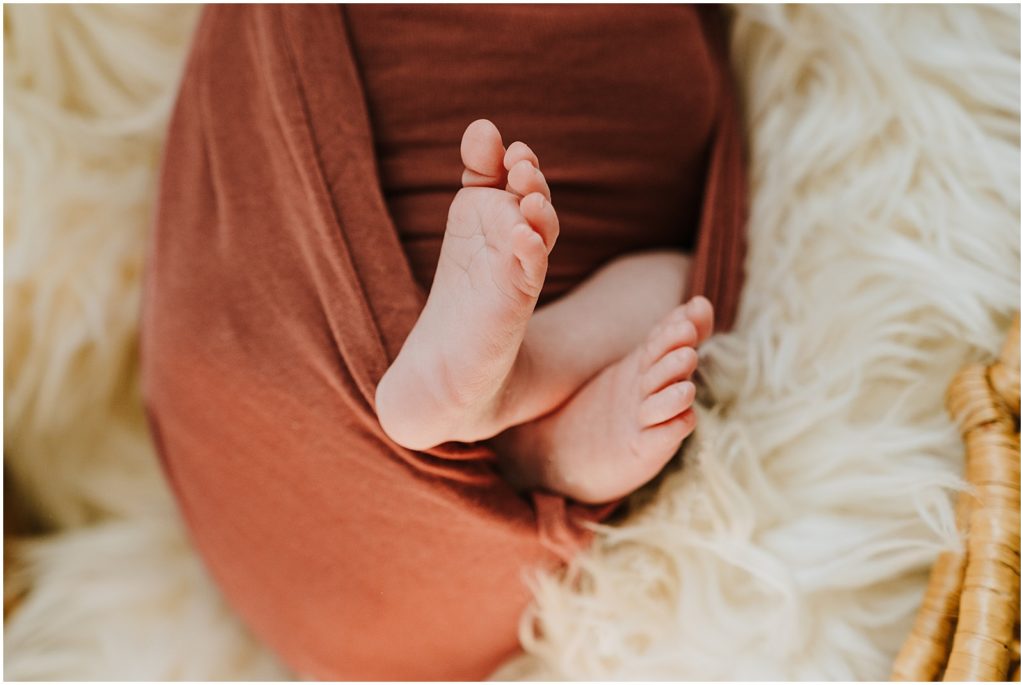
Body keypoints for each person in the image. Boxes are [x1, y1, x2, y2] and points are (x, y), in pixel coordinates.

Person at [141, 4, 746, 679]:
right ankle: (523, 413)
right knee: (678, 289)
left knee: (677, 297)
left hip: (269, 482)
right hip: (337, 507)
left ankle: (525, 413)